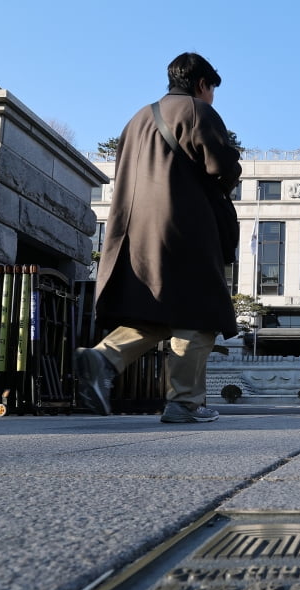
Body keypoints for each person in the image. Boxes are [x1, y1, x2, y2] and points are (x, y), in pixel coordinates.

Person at [75, 52, 242, 423]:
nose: (212, 97)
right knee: (200, 312)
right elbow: (221, 167)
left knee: (158, 310)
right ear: (203, 84)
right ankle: (184, 402)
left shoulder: (137, 118)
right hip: (183, 226)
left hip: (136, 228)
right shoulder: (197, 111)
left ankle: (103, 357)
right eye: (212, 90)